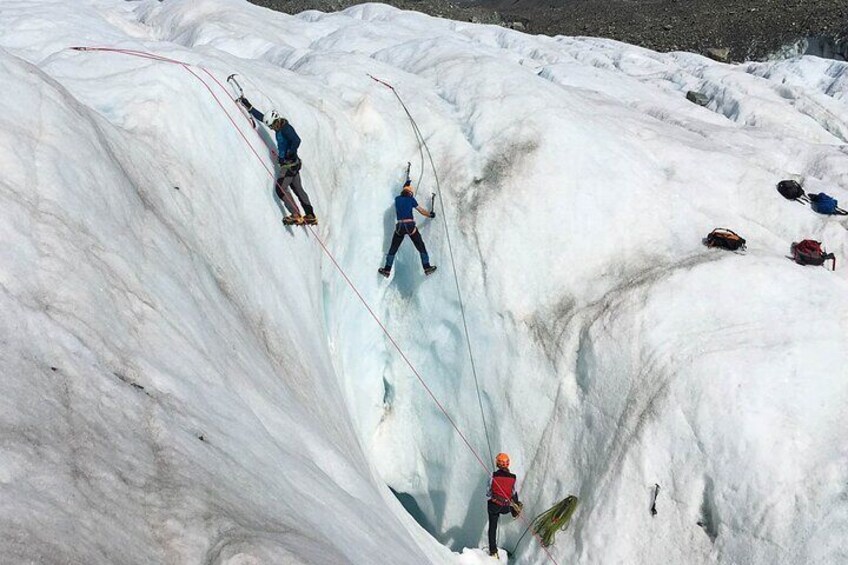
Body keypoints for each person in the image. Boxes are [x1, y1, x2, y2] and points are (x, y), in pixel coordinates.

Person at [237, 96, 317, 225]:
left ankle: (295, 214)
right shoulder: (278, 125)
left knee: (280, 189)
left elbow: (296, 140)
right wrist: (249, 107)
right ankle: (310, 215)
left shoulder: (286, 128)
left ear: (276, 121)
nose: (272, 128)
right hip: (294, 165)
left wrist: (288, 154)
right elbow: (263, 118)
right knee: (298, 189)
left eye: (272, 126)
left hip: (289, 165)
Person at [378, 181, 437, 277]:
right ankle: (427, 267)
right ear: (410, 193)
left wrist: (406, 185)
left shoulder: (397, 199)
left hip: (400, 227)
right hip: (410, 226)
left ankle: (387, 270)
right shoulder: (411, 199)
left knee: (393, 249)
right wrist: (430, 215)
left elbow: (404, 193)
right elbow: (421, 211)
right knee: (420, 246)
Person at [487, 452, 522, 557]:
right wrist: (515, 505)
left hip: (494, 506)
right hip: (506, 507)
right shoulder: (513, 477)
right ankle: (514, 511)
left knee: (492, 527)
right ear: (508, 464)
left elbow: (487, 492)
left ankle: (493, 551)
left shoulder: (492, 476)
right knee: (514, 499)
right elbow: (514, 492)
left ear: (497, 464)